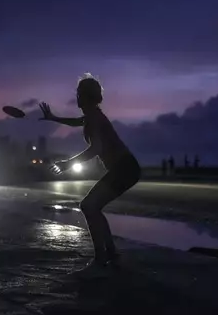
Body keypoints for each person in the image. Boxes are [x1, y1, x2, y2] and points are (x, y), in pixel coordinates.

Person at [39, 73, 141, 276]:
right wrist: (54, 118)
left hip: (125, 168)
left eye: (78, 93)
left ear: (85, 96)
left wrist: (68, 163)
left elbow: (96, 148)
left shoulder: (94, 117)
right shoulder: (92, 115)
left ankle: (101, 259)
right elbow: (77, 122)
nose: (76, 97)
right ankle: (110, 253)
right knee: (94, 207)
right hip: (125, 168)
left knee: (88, 205)